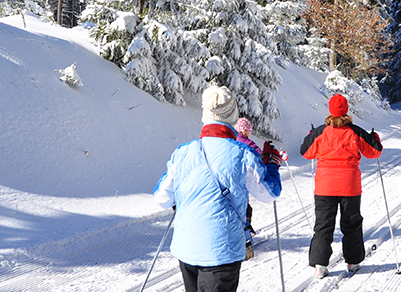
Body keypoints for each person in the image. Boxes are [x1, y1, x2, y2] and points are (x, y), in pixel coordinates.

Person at [154, 85, 282, 292]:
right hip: (222, 251)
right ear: (233, 116)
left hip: (186, 248)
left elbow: (162, 198)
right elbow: (269, 193)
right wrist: (273, 165)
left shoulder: (183, 152)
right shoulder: (244, 154)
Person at [300, 94, 382, 279]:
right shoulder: (355, 131)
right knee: (351, 223)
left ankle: (320, 265)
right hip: (349, 185)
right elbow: (375, 151)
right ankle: (353, 262)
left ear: (330, 110)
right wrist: (374, 138)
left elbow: (305, 152)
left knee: (323, 225)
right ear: (346, 110)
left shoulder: (320, 132)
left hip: (325, 186)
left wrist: (309, 136)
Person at [235, 117, 262, 235]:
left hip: (232, 177)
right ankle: (245, 232)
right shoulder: (248, 143)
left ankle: (239, 230)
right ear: (246, 131)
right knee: (246, 207)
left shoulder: (231, 140)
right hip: (244, 178)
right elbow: (258, 154)